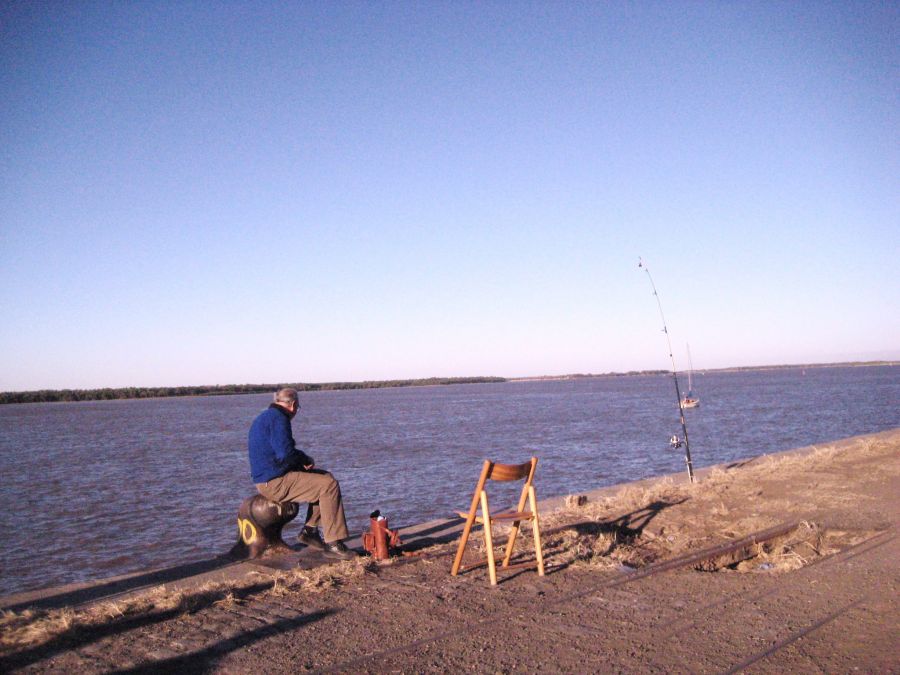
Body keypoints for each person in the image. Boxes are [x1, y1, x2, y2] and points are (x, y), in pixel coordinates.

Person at [248, 387, 356, 560]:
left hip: (270, 476)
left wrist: (299, 463)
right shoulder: (279, 419)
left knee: (325, 478)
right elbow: (286, 453)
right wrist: (304, 459)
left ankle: (310, 531)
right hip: (273, 482)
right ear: (293, 405)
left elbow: (278, 455)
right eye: (297, 408)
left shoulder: (265, 417)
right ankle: (333, 544)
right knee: (328, 485)